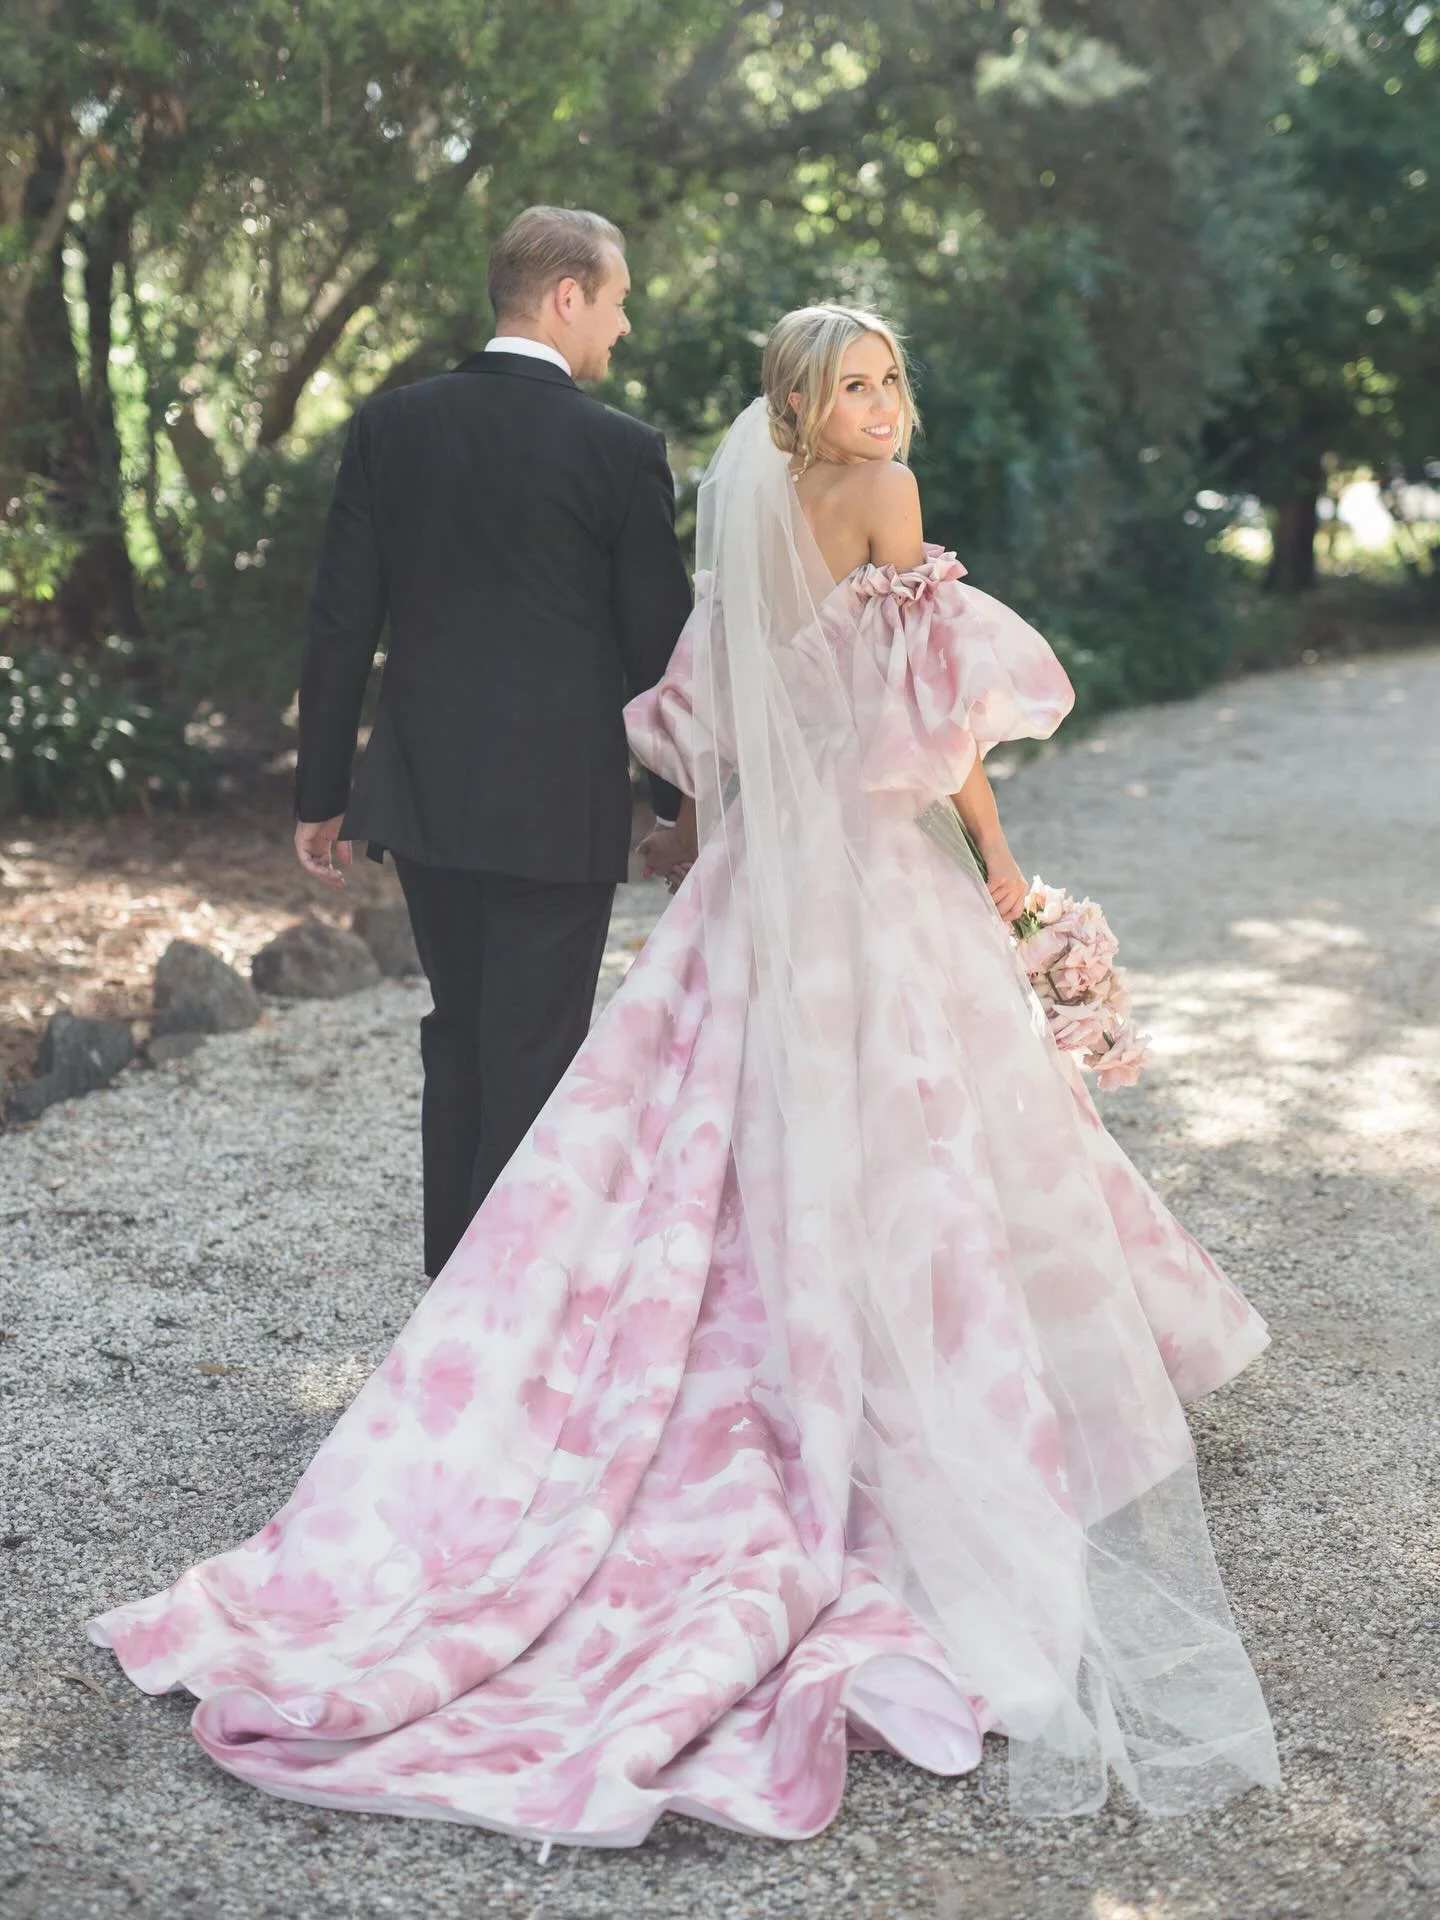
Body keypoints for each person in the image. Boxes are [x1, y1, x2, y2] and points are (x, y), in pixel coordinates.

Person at [90, 305, 1279, 1840]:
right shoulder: (884, 508)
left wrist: (710, 839)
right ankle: (910, 1404)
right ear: (806, 402)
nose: (880, 407)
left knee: (696, 1133)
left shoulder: (752, 515)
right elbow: (935, 726)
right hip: (858, 874)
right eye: (853, 386)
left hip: (753, 884)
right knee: (916, 1127)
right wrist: (999, 867)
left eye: (888, 381)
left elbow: (717, 729)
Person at [291, 205, 693, 1278]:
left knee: (461, 1030)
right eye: (615, 303)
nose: (620, 327)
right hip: (556, 807)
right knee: (537, 1054)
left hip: (421, 795)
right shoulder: (619, 452)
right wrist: (674, 808)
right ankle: (502, 1317)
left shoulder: (391, 425)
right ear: (567, 296)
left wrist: (320, 793)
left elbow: (340, 623)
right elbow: (656, 655)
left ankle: (451, 1293)